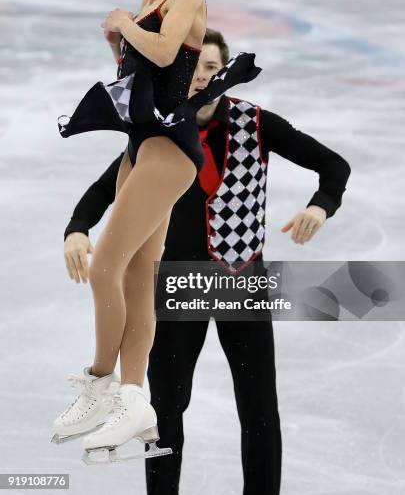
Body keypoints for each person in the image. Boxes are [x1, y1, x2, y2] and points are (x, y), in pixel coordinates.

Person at [62, 28, 351, 492]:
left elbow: (334, 165)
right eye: (194, 68)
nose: (201, 78)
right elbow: (103, 189)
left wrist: (320, 205)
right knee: (165, 408)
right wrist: (77, 229)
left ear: (227, 72)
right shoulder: (159, 134)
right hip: (176, 284)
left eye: (212, 69)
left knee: (258, 406)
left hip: (241, 280)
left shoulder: (256, 123)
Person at [52, 0, 261, 464]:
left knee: (105, 269)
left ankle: (101, 383)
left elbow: (167, 55)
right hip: (139, 145)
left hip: (171, 150)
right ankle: (134, 397)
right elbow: (139, 78)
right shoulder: (150, 6)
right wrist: (117, 40)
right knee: (141, 275)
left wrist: (125, 22)